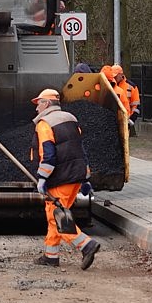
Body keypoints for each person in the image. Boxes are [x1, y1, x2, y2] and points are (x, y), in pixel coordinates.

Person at [30, 88, 101, 269]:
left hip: (60, 177)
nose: (37, 109)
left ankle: (86, 245)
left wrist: (42, 178)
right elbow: (80, 150)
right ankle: (50, 256)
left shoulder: (45, 124)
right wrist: (85, 178)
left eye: (39, 104)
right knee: (57, 214)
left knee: (57, 217)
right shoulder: (71, 119)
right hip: (75, 176)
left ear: (46, 104)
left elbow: (48, 155)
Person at [112, 65, 141, 135]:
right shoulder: (110, 84)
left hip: (125, 120)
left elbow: (136, 106)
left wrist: (130, 121)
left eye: (116, 76)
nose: (114, 78)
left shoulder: (131, 87)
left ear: (121, 75)